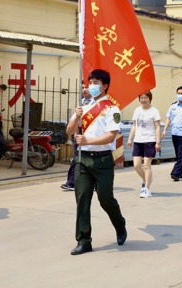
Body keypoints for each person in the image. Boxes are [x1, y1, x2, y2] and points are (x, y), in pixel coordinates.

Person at [66, 69, 126, 255]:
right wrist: (76, 116)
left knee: (105, 199)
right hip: (82, 160)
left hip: (102, 161)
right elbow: (69, 131)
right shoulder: (83, 107)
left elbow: (111, 136)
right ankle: (84, 241)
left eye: (95, 83)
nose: (91, 86)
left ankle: (120, 224)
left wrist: (87, 141)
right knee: (82, 200)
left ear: (105, 85)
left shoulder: (112, 109)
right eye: (90, 82)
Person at [126, 91, 161, 198]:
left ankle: (146, 189)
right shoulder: (137, 110)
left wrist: (158, 142)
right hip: (138, 140)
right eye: (141, 98)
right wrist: (130, 138)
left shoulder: (154, 111)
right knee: (136, 165)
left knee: (146, 165)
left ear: (150, 98)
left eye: (145, 98)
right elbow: (134, 126)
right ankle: (147, 179)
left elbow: (158, 127)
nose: (143, 100)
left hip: (149, 140)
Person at [61, 83, 93, 191]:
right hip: (80, 134)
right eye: (82, 87)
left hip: (91, 136)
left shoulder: (97, 103)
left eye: (86, 87)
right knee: (77, 158)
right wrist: (76, 130)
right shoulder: (81, 102)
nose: (84, 89)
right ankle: (72, 182)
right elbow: (76, 119)